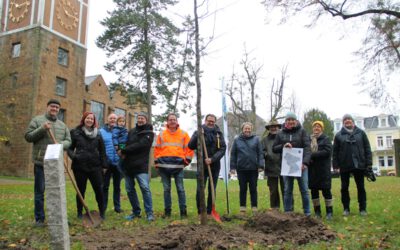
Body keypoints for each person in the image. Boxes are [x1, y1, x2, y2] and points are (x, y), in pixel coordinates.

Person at [25, 99, 71, 226]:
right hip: (41, 162)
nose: (54, 109)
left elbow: (68, 140)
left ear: (59, 110)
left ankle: (57, 218)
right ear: (47, 107)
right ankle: (40, 219)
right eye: (52, 106)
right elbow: (28, 137)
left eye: (57, 107)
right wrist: (42, 129)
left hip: (56, 163)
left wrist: (61, 144)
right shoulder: (37, 120)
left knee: (57, 191)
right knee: (40, 192)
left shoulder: (62, 125)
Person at [67, 112, 107, 219]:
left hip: (95, 166)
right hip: (80, 166)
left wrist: (104, 166)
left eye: (92, 119)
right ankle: (79, 212)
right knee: (81, 190)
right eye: (88, 118)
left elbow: (102, 151)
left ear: (94, 121)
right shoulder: (75, 132)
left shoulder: (98, 134)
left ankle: (102, 212)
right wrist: (74, 157)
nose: (89, 120)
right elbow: (69, 148)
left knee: (99, 189)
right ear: (84, 119)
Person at [154, 113, 194, 218]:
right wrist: (157, 162)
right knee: (166, 190)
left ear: (177, 121)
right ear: (167, 122)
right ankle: (167, 212)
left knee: (180, 189)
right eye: (170, 119)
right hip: (163, 166)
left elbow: (189, 149)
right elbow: (156, 149)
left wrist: (186, 161)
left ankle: (183, 212)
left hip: (178, 166)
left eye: (174, 119)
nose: (172, 121)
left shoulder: (184, 134)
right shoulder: (161, 134)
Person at [333, 114, 372, 216]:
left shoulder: (361, 133)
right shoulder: (338, 135)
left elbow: (367, 148)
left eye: (349, 119)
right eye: (345, 120)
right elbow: (335, 152)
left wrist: (368, 163)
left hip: (359, 164)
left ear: (352, 121)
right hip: (344, 164)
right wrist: (335, 165)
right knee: (344, 188)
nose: (347, 121)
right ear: (343, 122)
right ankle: (346, 208)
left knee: (361, 187)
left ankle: (362, 209)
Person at [273, 112, 311, 216]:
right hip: (287, 166)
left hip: (301, 166)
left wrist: (305, 163)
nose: (290, 122)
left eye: (292, 120)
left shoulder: (302, 132)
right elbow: (274, 148)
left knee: (304, 190)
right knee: (287, 190)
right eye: (288, 120)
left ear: (296, 121)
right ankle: (288, 213)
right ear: (285, 121)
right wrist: (283, 146)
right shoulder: (280, 133)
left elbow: (308, 148)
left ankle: (307, 213)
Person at [188, 114, 227, 216]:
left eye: (212, 121)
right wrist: (197, 135)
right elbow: (190, 146)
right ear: (205, 121)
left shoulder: (218, 133)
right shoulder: (199, 131)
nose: (210, 123)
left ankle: (210, 211)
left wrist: (212, 159)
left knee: (212, 188)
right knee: (200, 188)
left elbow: (223, 148)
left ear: (215, 122)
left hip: (214, 165)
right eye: (209, 121)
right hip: (202, 165)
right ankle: (201, 211)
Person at [121, 112, 155, 221]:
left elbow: (141, 145)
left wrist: (125, 150)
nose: (140, 120)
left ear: (146, 120)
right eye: (139, 118)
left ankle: (149, 213)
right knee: (129, 189)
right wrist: (121, 149)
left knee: (145, 188)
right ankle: (136, 212)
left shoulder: (149, 133)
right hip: (128, 165)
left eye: (142, 118)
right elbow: (126, 144)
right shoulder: (131, 132)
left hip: (141, 166)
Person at [230, 122, 264, 213]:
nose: (247, 130)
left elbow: (260, 153)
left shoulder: (256, 139)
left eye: (249, 128)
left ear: (251, 129)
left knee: (253, 188)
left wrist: (261, 165)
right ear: (242, 129)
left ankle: (254, 207)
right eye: (246, 128)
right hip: (241, 169)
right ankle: (242, 208)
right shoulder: (237, 140)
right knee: (243, 189)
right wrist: (232, 168)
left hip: (253, 169)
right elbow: (233, 154)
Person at [308, 121, 333, 219]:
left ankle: (329, 212)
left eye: (318, 127)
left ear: (322, 129)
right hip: (312, 170)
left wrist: (312, 155)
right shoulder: (309, 139)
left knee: (326, 191)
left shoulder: (326, 139)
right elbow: (306, 151)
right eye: (314, 127)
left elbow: (327, 151)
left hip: (323, 170)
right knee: (314, 192)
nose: (316, 128)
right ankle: (317, 212)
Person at [100, 113, 123, 214]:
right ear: (107, 120)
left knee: (117, 186)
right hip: (106, 163)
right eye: (111, 118)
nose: (113, 120)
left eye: (115, 118)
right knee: (105, 186)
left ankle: (117, 207)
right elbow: (99, 148)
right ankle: (103, 207)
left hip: (118, 163)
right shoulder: (101, 132)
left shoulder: (121, 132)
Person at [261, 120, 284, 209]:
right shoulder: (264, 140)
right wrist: (266, 154)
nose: (274, 128)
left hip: (284, 167)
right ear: (269, 128)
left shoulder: (283, 138)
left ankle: (288, 209)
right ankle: (275, 209)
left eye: (275, 126)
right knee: (273, 190)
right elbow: (261, 151)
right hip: (271, 167)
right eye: (272, 127)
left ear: (278, 127)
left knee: (286, 190)